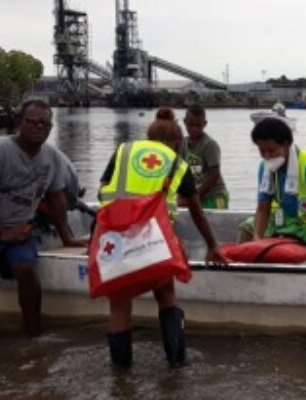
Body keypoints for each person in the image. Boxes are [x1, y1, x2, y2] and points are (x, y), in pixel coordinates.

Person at [97, 108, 227, 369]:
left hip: (115, 237)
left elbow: (103, 193)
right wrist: (213, 246)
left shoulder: (123, 151)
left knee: (120, 305)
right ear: (178, 142)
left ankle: (121, 376)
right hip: (153, 240)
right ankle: (176, 365)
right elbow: (197, 213)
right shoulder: (177, 163)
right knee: (166, 294)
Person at [0, 99, 86, 335]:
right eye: (30, 122)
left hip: (18, 227)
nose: (37, 127)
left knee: (26, 269)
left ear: (50, 128)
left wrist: (68, 238)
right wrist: (1, 232)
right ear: (18, 124)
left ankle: (32, 335)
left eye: (43, 124)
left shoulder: (52, 157)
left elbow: (56, 199)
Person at [238, 117, 306, 252]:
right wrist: (257, 236)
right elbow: (263, 208)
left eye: (271, 150)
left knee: (291, 246)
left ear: (286, 145)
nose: (266, 156)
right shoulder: (265, 168)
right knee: (245, 229)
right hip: (289, 220)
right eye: (261, 151)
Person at [181, 104, 230, 209]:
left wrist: (195, 197)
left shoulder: (209, 145)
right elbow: (180, 173)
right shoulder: (182, 144)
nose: (194, 129)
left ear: (205, 124)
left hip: (214, 196)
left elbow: (214, 176)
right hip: (195, 194)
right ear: (184, 122)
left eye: (198, 126)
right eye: (190, 125)